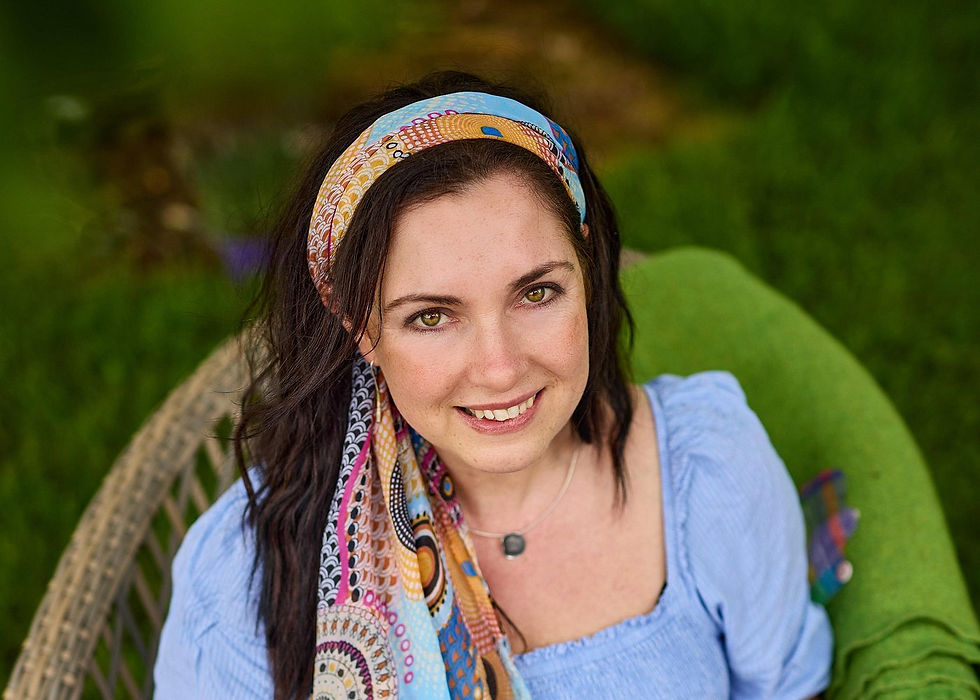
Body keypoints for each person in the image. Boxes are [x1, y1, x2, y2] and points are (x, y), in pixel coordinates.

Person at [154, 71, 833, 699]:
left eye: (537, 293)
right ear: (358, 325)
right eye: (431, 316)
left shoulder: (711, 473)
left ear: (587, 273)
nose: (500, 368)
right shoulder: (247, 576)